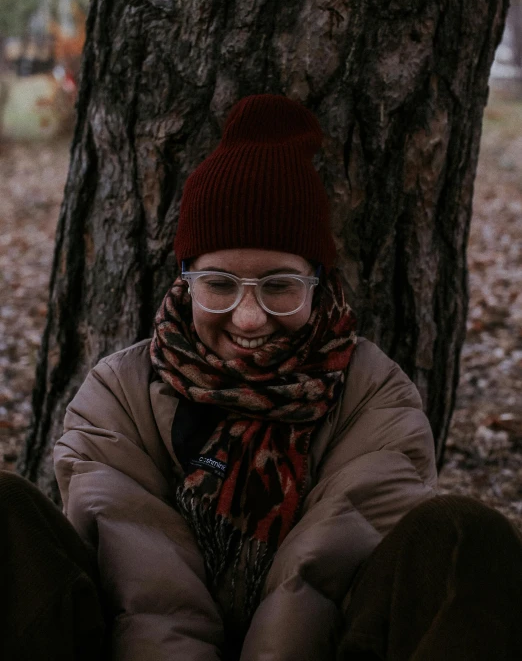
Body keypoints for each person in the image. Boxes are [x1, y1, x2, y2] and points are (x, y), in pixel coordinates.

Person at [1, 94, 521, 661]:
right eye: (219, 283)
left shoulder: (374, 394)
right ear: (185, 280)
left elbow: (320, 574)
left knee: (462, 538)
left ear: (317, 283)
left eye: (279, 285)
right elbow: (144, 584)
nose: (249, 319)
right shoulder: (118, 394)